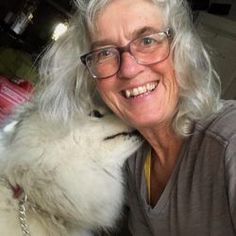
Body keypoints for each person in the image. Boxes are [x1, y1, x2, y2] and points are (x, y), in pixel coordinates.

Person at [37, 0, 236, 235]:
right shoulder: (132, 159)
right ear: (91, 76)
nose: (129, 69)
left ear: (180, 47)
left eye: (147, 41)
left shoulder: (229, 139)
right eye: (105, 53)